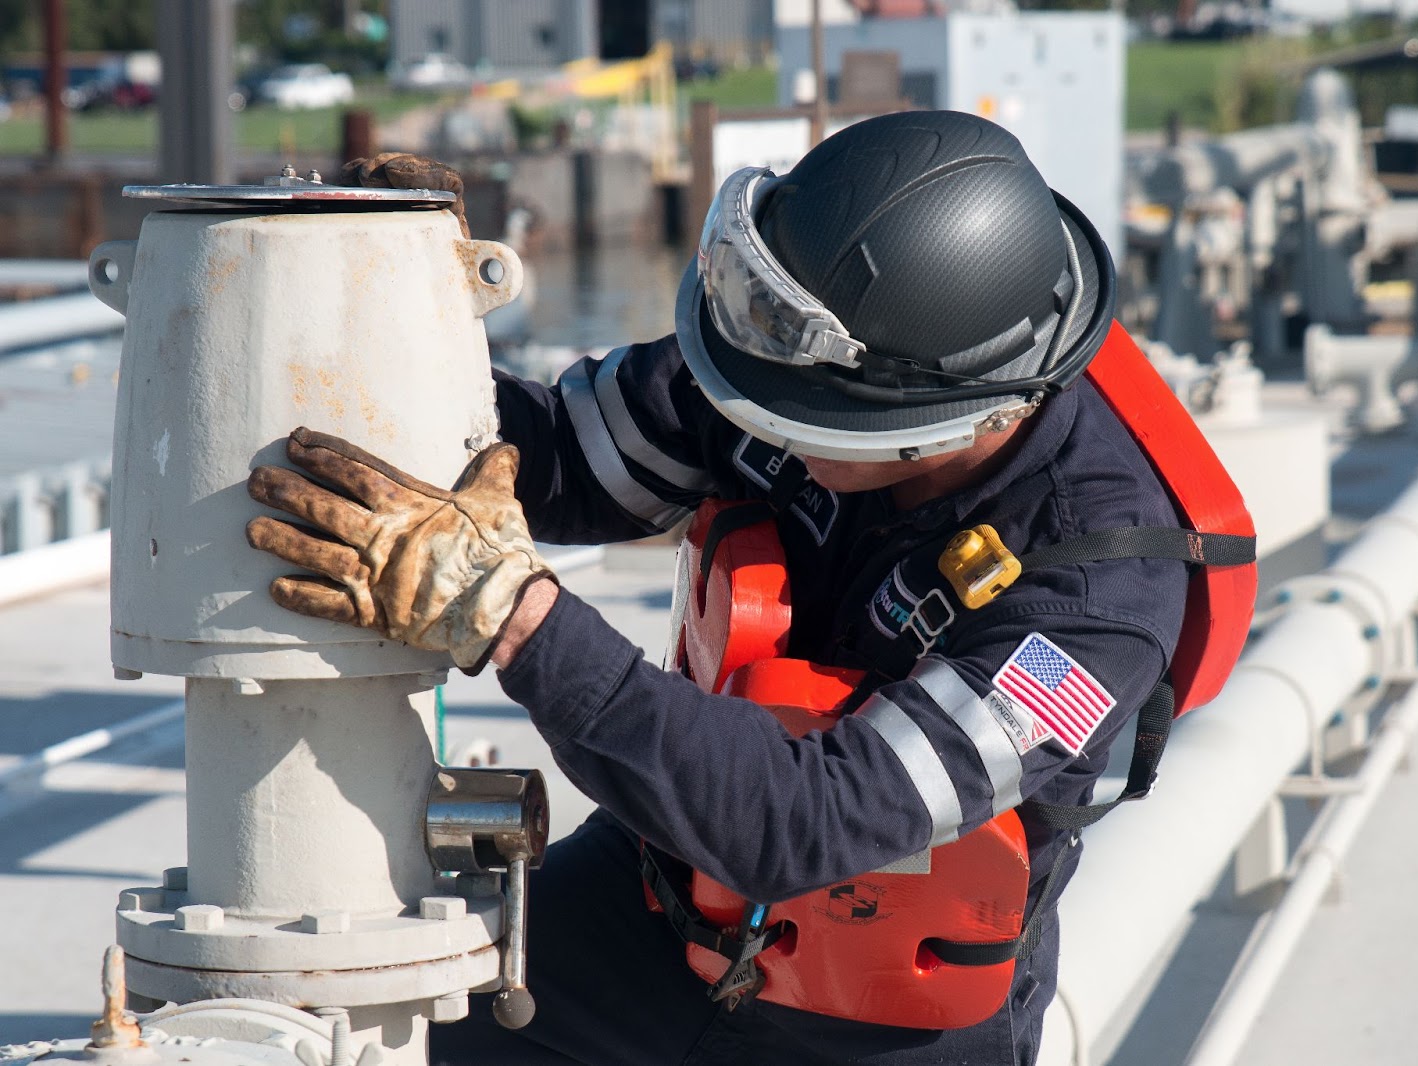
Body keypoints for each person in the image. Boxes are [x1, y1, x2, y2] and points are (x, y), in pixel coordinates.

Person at [246, 113, 1192, 1064]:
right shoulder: (788, 367)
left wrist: (510, 617)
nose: (753, 414)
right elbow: (558, 459)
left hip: (885, 1003)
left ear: (938, 418)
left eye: (791, 411)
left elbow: (814, 821)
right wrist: (396, 315)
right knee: (415, 1042)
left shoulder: (1096, 598)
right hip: (666, 893)